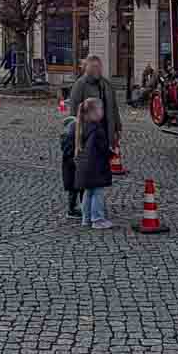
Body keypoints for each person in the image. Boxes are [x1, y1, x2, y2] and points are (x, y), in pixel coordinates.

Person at [65, 55, 121, 167]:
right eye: (94, 66)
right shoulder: (80, 85)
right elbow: (74, 111)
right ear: (87, 68)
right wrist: (77, 132)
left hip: (106, 128)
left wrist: (117, 127)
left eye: (99, 66)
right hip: (88, 131)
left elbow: (114, 108)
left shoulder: (107, 84)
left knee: (103, 160)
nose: (97, 69)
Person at [72, 97, 114, 229]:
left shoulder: (82, 126)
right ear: (93, 113)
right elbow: (102, 149)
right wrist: (111, 153)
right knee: (97, 193)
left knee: (88, 193)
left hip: (84, 167)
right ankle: (97, 219)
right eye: (101, 109)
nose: (102, 111)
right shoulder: (97, 130)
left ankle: (86, 218)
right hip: (95, 167)